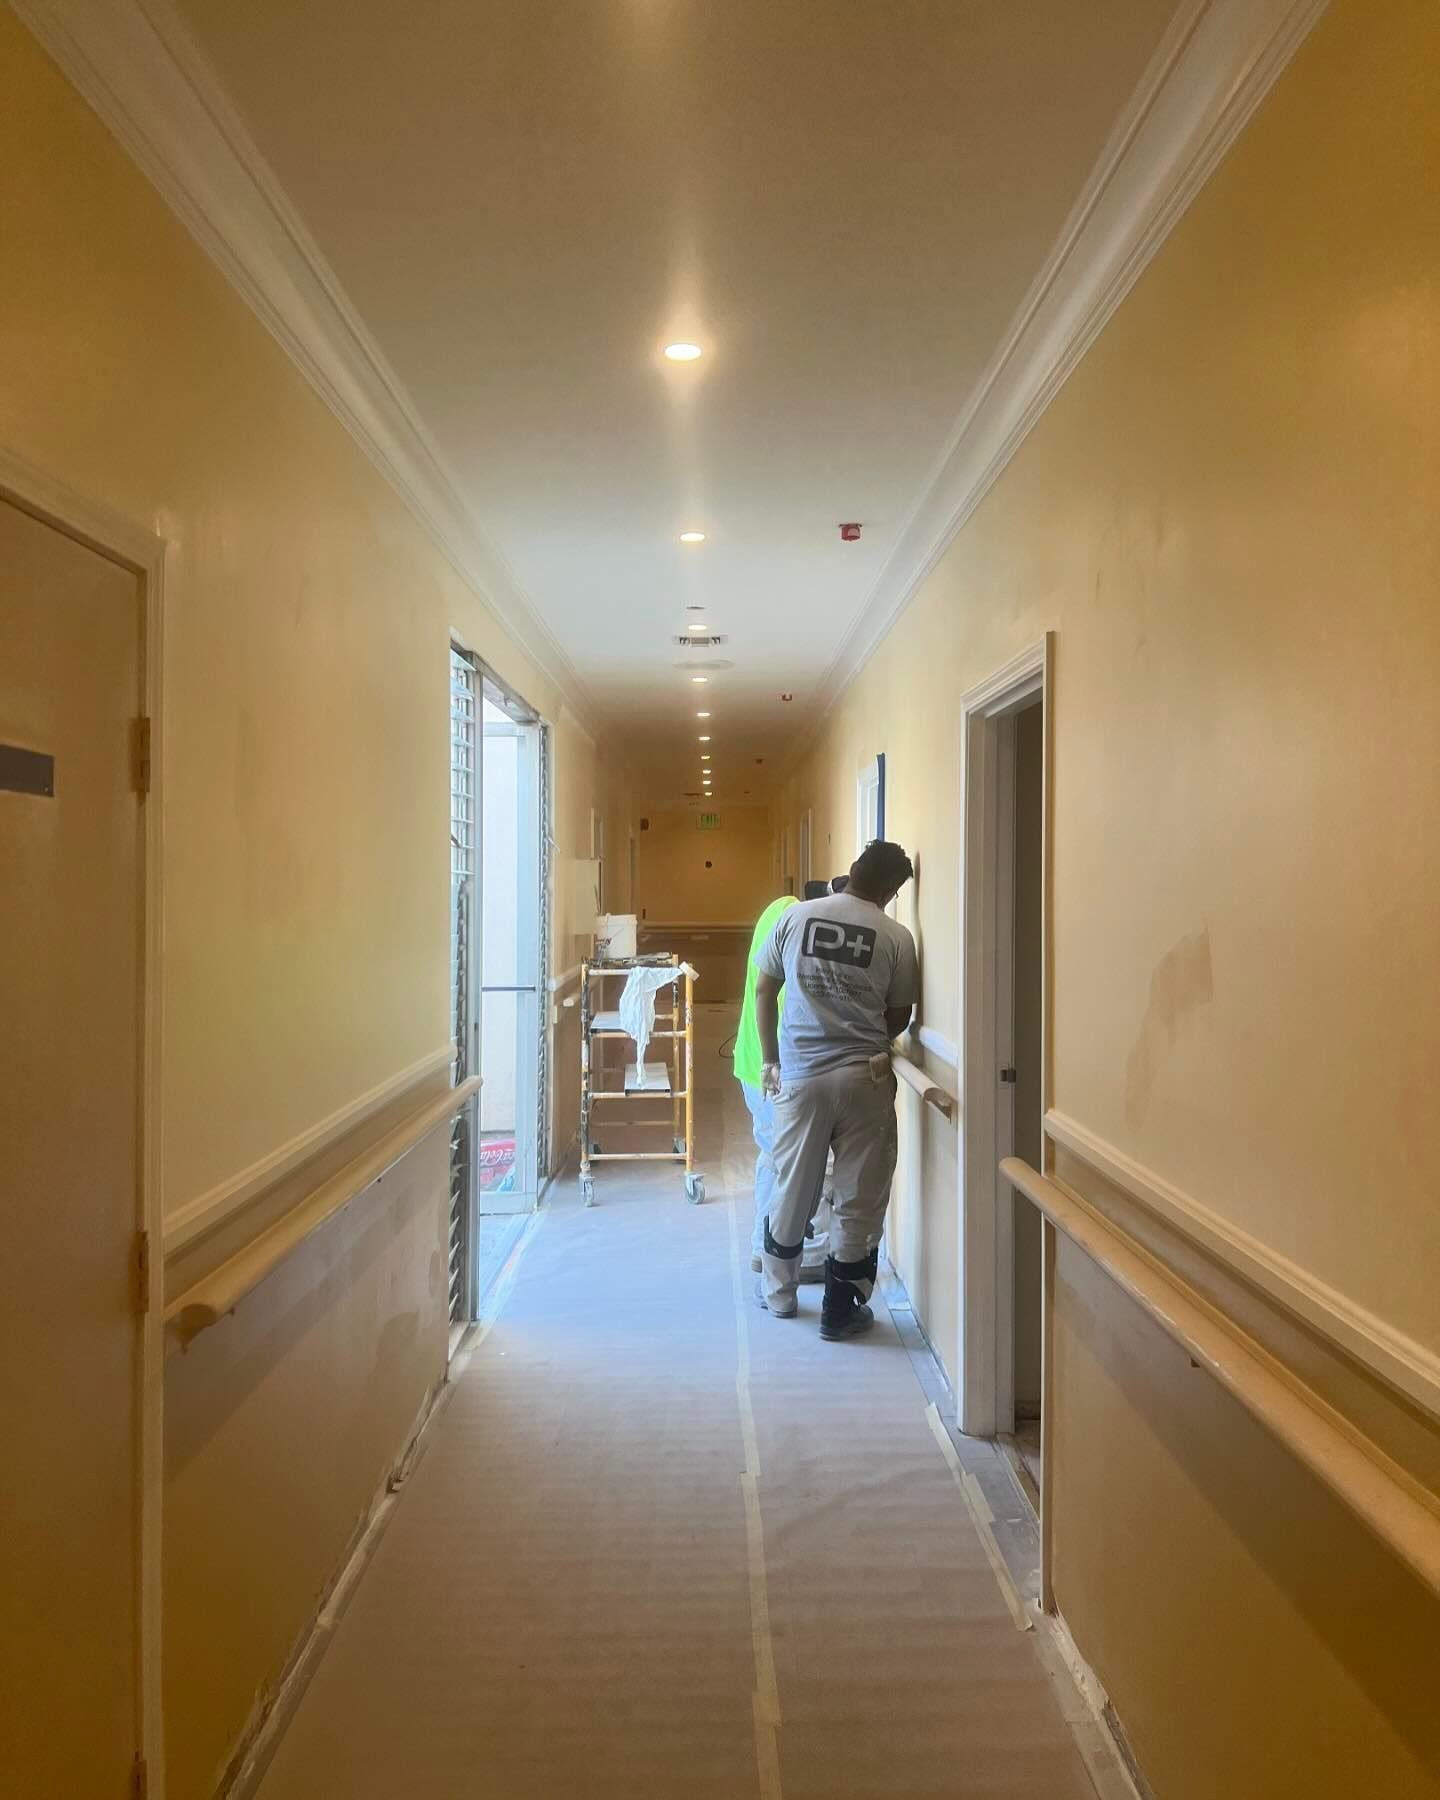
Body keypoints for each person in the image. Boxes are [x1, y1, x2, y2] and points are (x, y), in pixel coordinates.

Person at [754, 840, 918, 1340]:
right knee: (857, 1192)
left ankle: (779, 1296)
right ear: (891, 891)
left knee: (792, 1184)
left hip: (800, 1077)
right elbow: (898, 1015)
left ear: (851, 870)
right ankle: (839, 1310)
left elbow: (764, 989)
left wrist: (771, 1059)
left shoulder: (797, 916)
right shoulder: (894, 935)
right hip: (862, 1078)